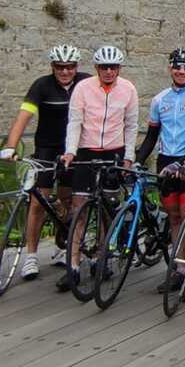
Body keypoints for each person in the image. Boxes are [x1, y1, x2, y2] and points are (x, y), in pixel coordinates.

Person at [4, 44, 89, 281]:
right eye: (60, 67)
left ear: (76, 67)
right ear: (52, 67)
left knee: (68, 199)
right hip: (46, 148)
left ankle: (63, 246)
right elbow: (24, 117)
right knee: (37, 202)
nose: (65, 72)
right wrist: (11, 147)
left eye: (70, 67)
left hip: (73, 151)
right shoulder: (42, 85)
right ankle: (31, 256)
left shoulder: (85, 83)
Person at [57, 45, 137, 292]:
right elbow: (75, 122)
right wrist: (70, 151)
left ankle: (101, 260)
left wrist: (129, 157)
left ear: (119, 69)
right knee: (79, 207)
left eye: (113, 67)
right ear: (96, 68)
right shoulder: (83, 88)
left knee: (107, 210)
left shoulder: (128, 89)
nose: (109, 72)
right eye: (104, 67)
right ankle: (73, 265)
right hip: (86, 151)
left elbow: (131, 125)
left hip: (113, 152)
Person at [134, 48, 185, 301]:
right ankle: (179, 269)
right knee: (174, 218)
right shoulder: (159, 99)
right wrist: (137, 161)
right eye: (177, 67)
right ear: (170, 68)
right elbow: (152, 136)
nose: (181, 71)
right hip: (166, 162)